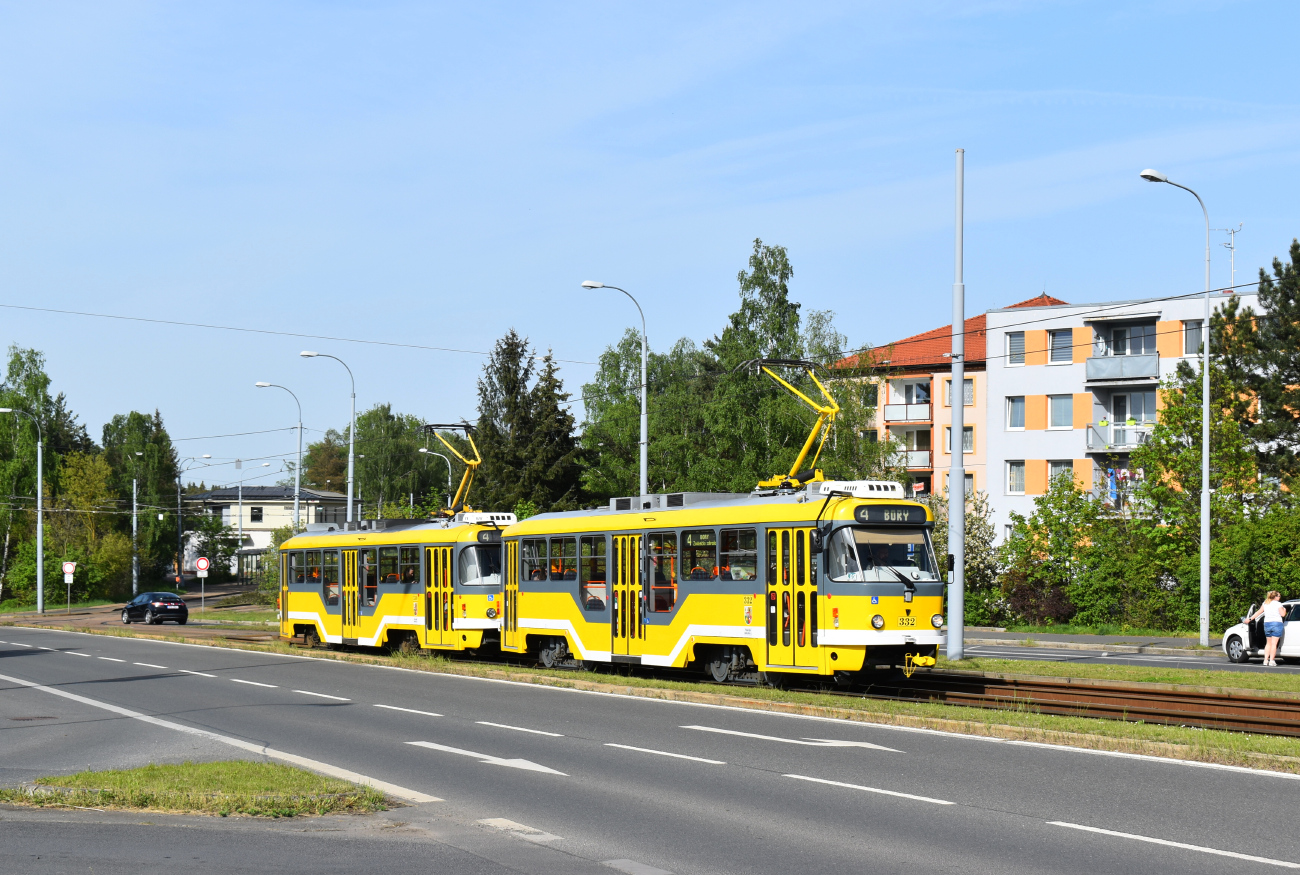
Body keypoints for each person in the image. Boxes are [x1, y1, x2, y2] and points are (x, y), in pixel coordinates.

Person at [1250, 591, 1287, 666]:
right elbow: (1283, 614)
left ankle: (1265, 660)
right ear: (1275, 597)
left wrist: (1250, 619)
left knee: (1268, 643)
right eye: (1279, 596)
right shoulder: (1278, 604)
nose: (1280, 598)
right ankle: (1272, 661)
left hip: (1267, 624)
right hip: (1276, 623)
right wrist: (1285, 610)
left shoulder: (1265, 603)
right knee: (1274, 644)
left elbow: (1259, 612)